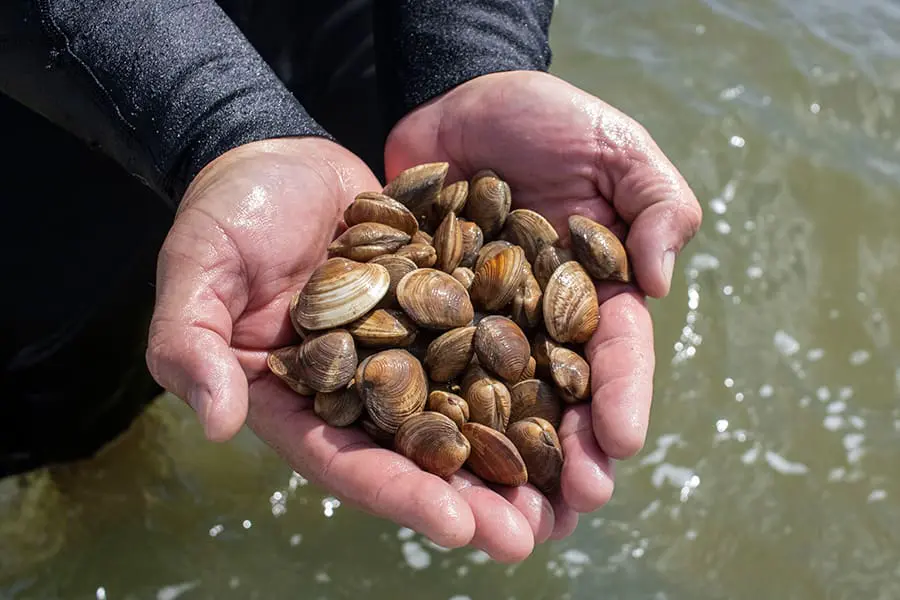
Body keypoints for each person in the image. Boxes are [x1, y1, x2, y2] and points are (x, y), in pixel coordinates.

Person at [0, 0, 702, 563]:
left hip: (361, 43)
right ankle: (91, 476)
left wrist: (468, 54)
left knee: (290, 257)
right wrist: (215, 124)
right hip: (72, 80)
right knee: (68, 375)